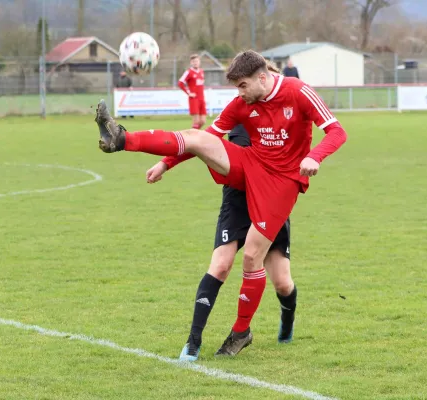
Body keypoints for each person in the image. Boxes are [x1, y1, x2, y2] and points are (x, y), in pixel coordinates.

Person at [94, 49, 347, 357]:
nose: (238, 94)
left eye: (242, 86)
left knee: (253, 258)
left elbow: (337, 131)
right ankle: (122, 139)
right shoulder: (242, 104)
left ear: (262, 78)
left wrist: (313, 156)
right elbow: (205, 138)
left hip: (283, 182)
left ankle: (241, 332)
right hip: (250, 164)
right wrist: (166, 164)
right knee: (199, 138)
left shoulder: (298, 91)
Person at [145, 63, 296, 361]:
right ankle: (193, 341)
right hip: (237, 200)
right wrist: (165, 163)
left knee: (282, 281)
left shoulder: (284, 119)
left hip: (270, 200)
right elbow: (200, 143)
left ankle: (286, 323)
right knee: (221, 265)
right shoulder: (239, 112)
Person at [178, 54, 206, 129]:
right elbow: (180, 82)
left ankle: (193, 134)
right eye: (193, 61)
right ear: (191, 63)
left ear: (199, 62)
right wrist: (189, 93)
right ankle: (192, 137)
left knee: (203, 121)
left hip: (201, 98)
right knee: (196, 121)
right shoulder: (189, 72)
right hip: (194, 99)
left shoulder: (201, 71)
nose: (195, 63)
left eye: (196, 61)